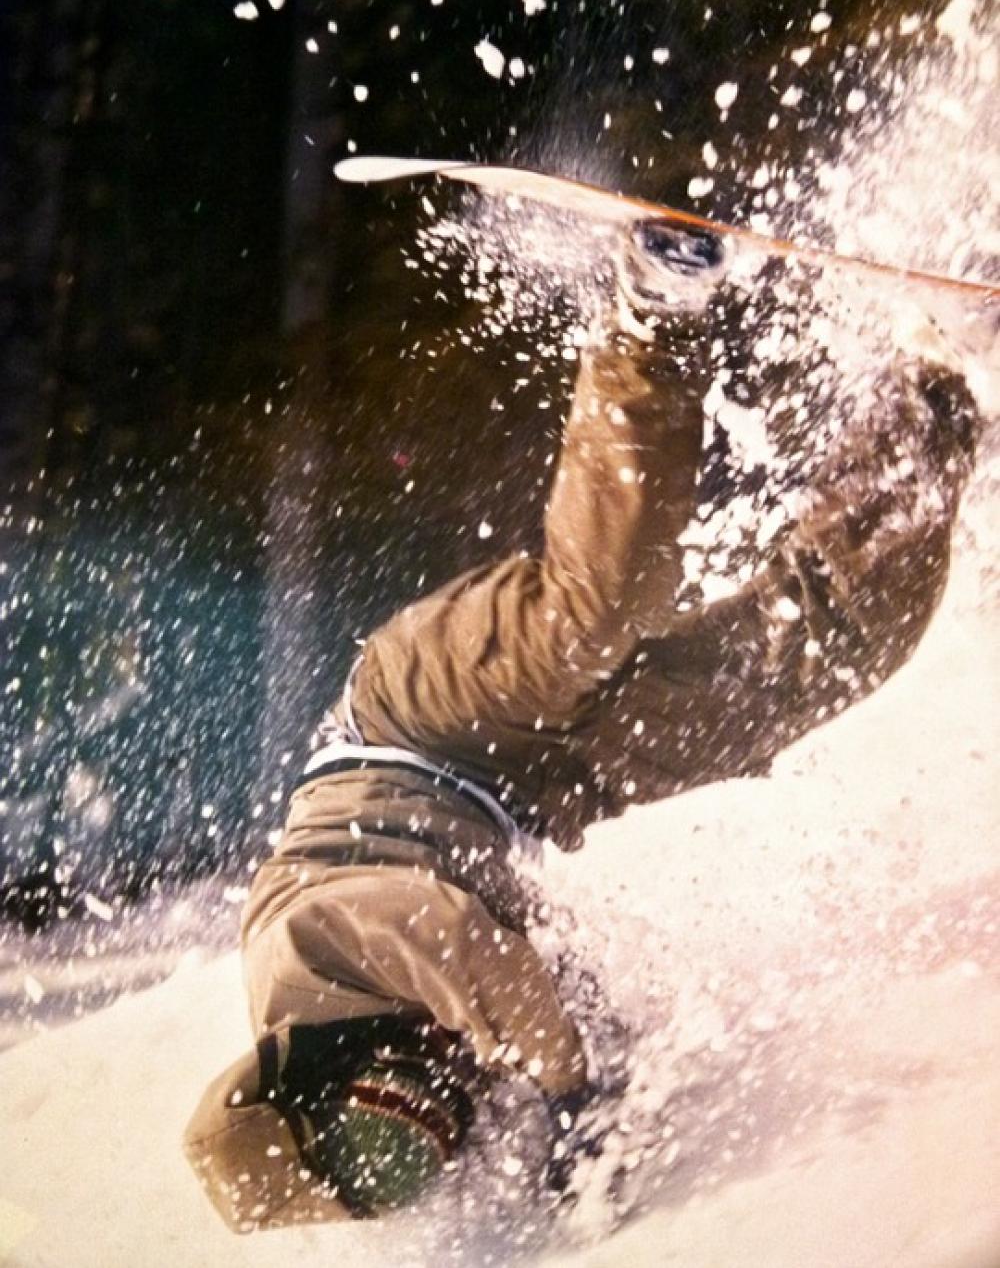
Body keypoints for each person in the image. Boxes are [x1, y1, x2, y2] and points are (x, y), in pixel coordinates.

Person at [183, 222, 978, 1231]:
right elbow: (554, 1013)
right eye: (399, 1173)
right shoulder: (431, 1094)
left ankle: (653, 315)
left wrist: (573, 1095)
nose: (422, 1133)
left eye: (378, 1139)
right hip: (535, 784)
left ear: (308, 1083)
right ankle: (935, 385)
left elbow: (466, 944)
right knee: (805, 667)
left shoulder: (305, 959)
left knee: (593, 613)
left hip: (421, 718)